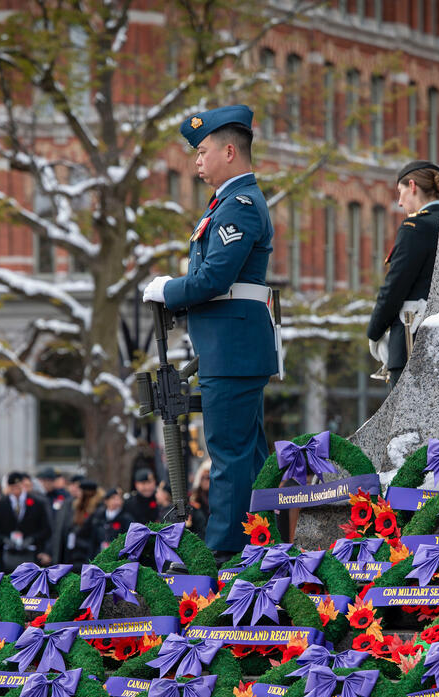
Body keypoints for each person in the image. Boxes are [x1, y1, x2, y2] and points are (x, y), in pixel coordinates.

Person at [142, 105, 278, 558]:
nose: (196, 161)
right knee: (248, 457)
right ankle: (258, 545)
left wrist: (166, 289)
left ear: (230, 150)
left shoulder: (238, 205)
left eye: (202, 151)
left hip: (233, 348)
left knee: (229, 458)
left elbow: (213, 280)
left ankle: (226, 553)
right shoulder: (226, 203)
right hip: (230, 345)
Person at [367, 160, 439, 388]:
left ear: (412, 186)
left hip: (412, 339)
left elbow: (395, 286)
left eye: (400, 192)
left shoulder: (416, 227)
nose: (400, 202)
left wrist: (374, 330)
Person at [0, 472, 52, 572]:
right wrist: (4, 539)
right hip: (7, 555)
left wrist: (32, 539)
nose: (16, 490)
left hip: (31, 554)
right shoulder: (1, 504)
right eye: (12, 487)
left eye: (18, 486)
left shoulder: (37, 503)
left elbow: (46, 529)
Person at [80, 487, 132, 563]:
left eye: (119, 499)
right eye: (113, 498)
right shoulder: (99, 517)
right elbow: (93, 541)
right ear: (106, 501)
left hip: (117, 559)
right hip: (99, 556)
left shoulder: (126, 518)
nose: (116, 502)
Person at [188, 460, 211, 540]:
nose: (205, 481)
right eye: (202, 478)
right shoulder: (195, 499)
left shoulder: (218, 498)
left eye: (208, 477)